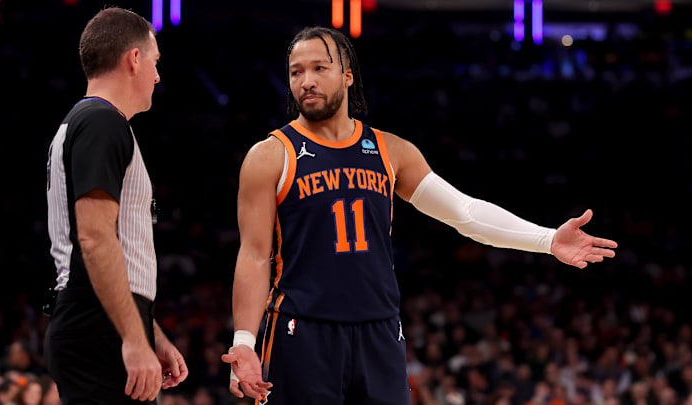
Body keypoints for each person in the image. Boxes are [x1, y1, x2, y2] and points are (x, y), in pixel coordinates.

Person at [222, 26, 617, 405]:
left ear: (346, 76)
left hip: (379, 332)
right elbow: (254, 255)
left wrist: (547, 239)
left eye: (318, 68)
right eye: (296, 72)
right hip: (301, 329)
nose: (306, 80)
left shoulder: (390, 151)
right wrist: (244, 341)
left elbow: (465, 213)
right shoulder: (270, 155)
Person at [44, 7, 187, 404]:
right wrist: (132, 339)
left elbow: (116, 249)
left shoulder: (89, 121)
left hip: (98, 319)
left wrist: (148, 333)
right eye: (155, 62)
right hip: (97, 324)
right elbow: (93, 238)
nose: (158, 77)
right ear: (134, 58)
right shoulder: (102, 123)